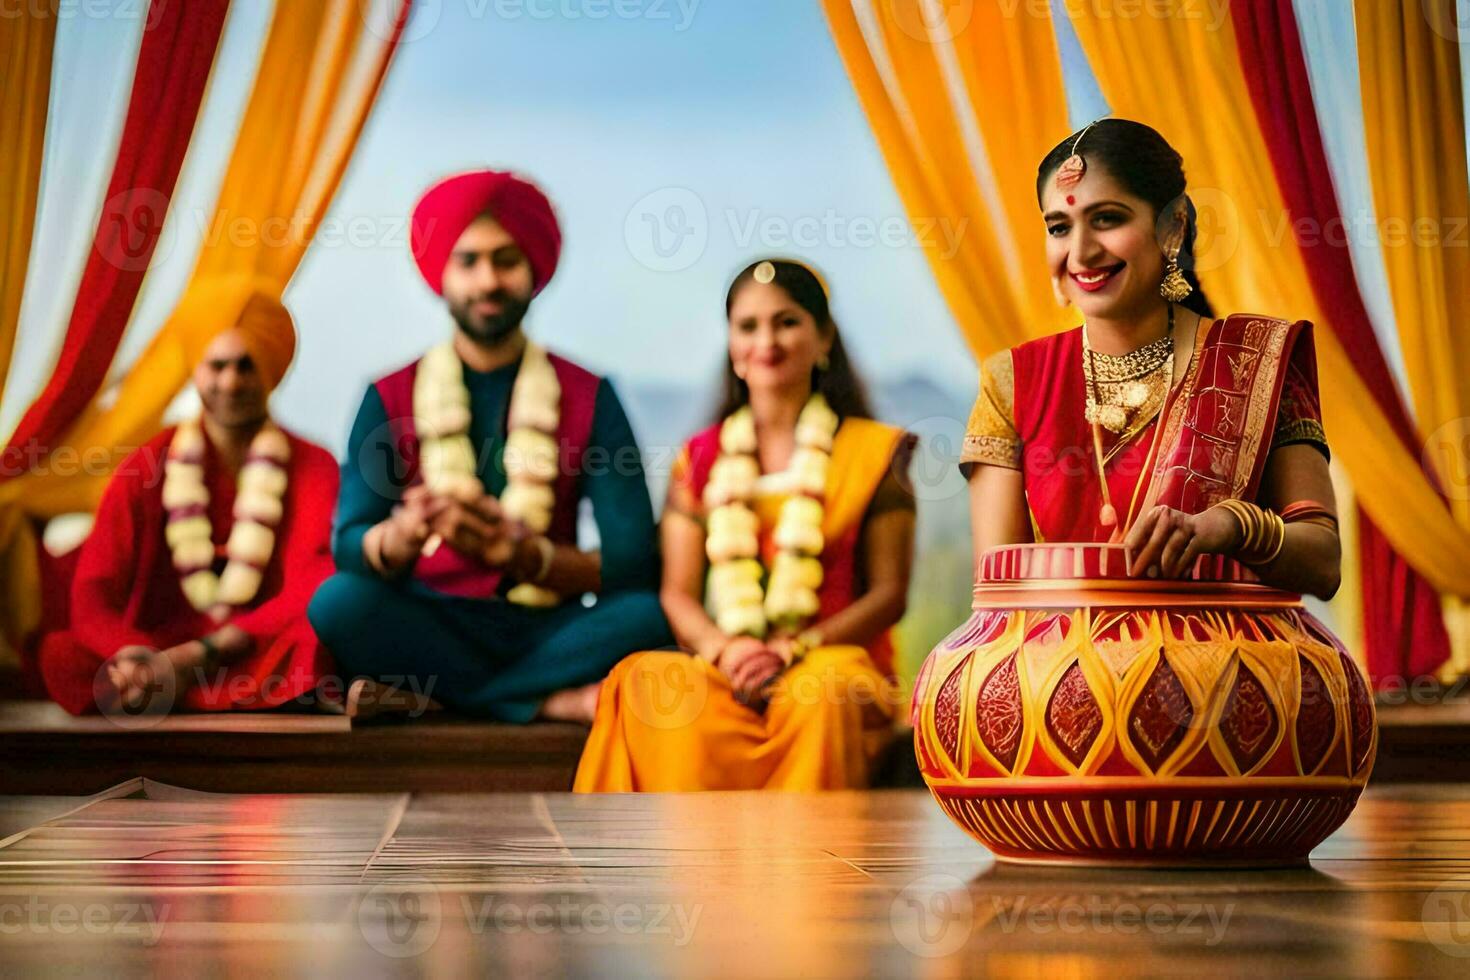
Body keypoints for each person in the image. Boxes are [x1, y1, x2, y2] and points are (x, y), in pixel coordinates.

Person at [307, 168, 671, 722]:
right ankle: (549, 701)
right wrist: (400, 537)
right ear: (442, 274)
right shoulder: (388, 396)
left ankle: (450, 699)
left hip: (549, 622)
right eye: (468, 261)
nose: (487, 282)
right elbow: (350, 542)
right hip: (433, 617)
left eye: (506, 260)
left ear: (532, 269)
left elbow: (632, 561)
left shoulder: (588, 395)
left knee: (647, 614)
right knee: (338, 603)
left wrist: (529, 556)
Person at [964, 118, 1341, 604]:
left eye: (1107, 219)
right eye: (1059, 227)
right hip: (1056, 668)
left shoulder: (1253, 362)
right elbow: (998, 592)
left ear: (1172, 226)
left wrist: (1231, 526)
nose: (1080, 252)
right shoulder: (1012, 381)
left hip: (1228, 664)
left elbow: (1324, 564)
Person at [573, 259, 916, 791]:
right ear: (732, 347)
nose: (766, 341)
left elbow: (890, 595)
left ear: (824, 337)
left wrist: (795, 649)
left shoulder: (876, 453)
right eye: (748, 326)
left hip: (831, 661)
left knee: (823, 689)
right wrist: (724, 650)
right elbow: (678, 595)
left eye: (787, 322)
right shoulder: (700, 459)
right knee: (645, 680)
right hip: (731, 664)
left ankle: (808, 867)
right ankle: (683, 863)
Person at [40, 276, 339, 715]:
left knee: (318, 640)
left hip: (252, 646)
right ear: (195, 370)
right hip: (154, 651)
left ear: (271, 370)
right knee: (63, 656)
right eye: (216, 366)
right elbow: (92, 593)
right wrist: (139, 658)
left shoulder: (313, 464)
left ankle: (171, 690)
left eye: (246, 365)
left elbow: (314, 580)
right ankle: (158, 685)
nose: (231, 383)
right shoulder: (146, 467)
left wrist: (202, 652)